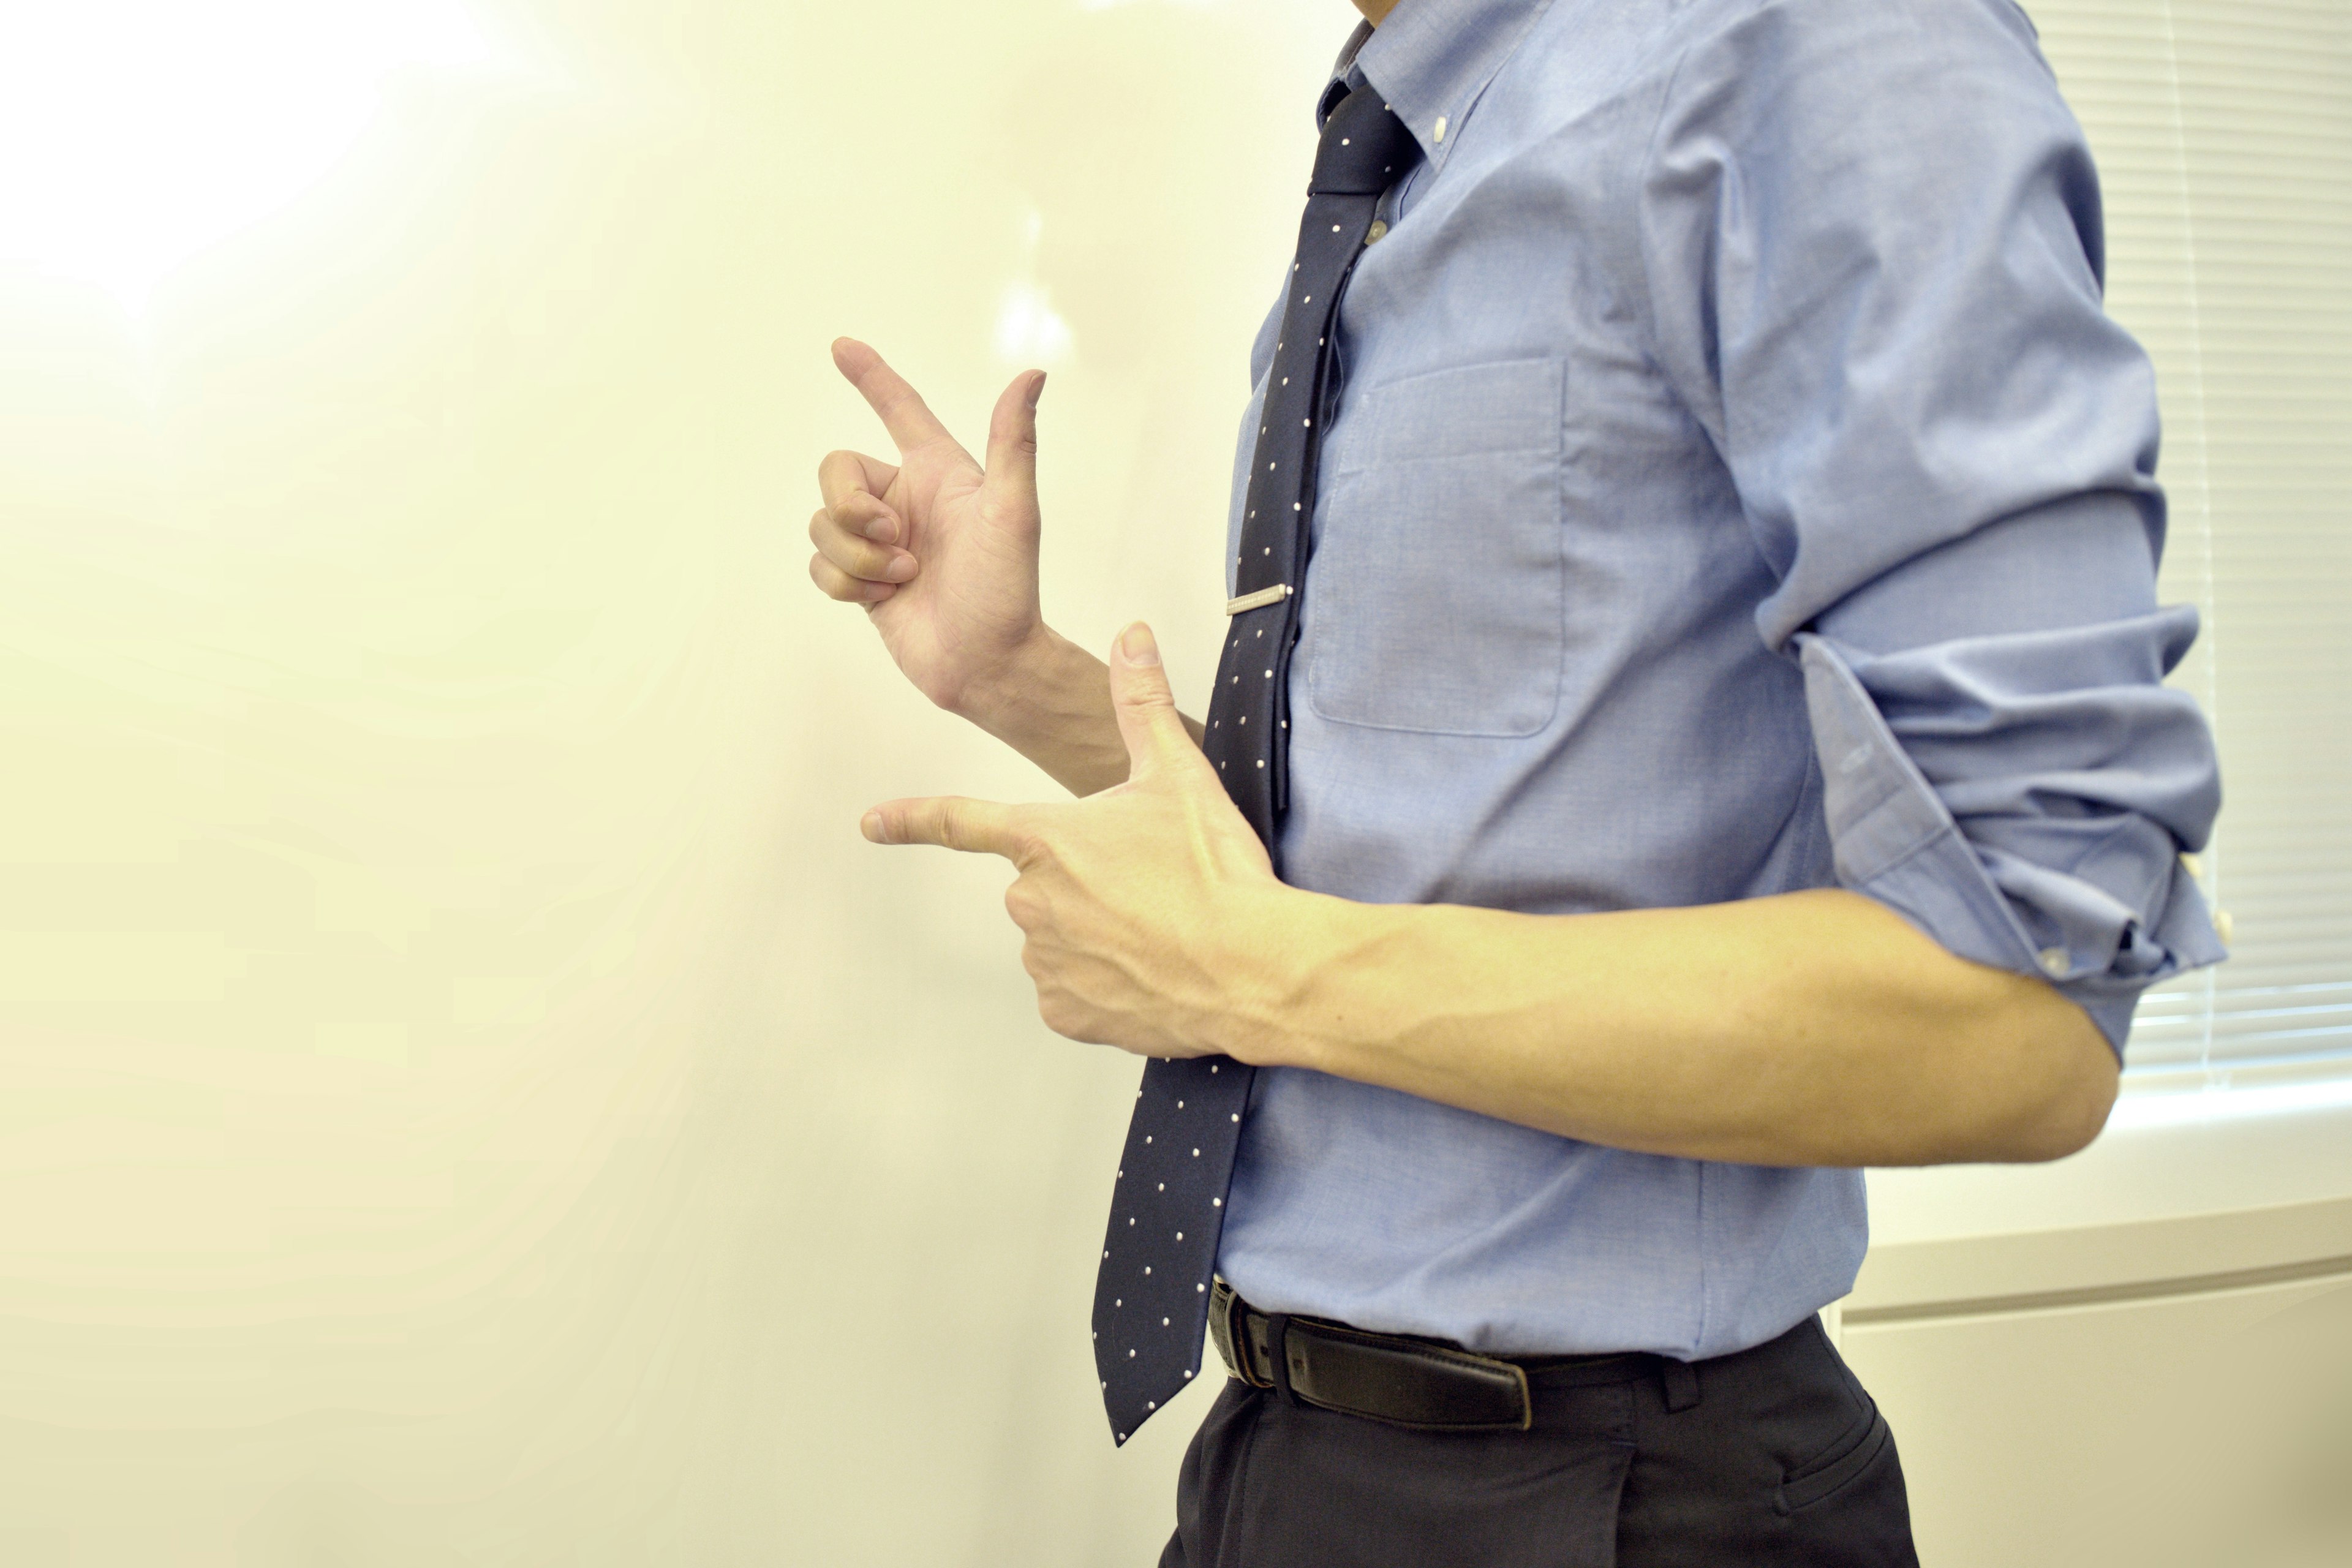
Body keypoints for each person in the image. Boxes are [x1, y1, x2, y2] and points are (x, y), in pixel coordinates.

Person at [803, 0, 2224, 1561]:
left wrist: (1246, 974)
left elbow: (2027, 1012)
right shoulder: (1394, 181)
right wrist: (1015, 673)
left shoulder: (1805, 42)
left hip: (1609, 1494)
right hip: (1288, 1453)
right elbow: (1415, 837)